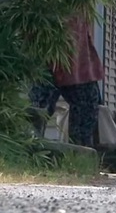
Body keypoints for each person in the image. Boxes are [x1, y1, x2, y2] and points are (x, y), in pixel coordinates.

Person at [29, 13, 104, 148]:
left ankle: (81, 157)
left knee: (86, 112)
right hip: (47, 54)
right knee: (37, 111)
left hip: (76, 56)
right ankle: (30, 151)